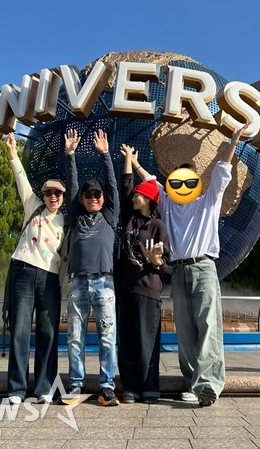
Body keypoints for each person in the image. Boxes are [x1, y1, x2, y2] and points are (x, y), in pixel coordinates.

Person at [134, 123, 248, 406]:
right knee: (185, 330)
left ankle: (209, 384)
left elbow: (222, 171)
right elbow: (151, 181)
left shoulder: (208, 201)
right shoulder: (168, 204)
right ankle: (193, 383)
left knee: (208, 325)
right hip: (178, 270)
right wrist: (134, 162)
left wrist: (233, 142)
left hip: (203, 268)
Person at [4, 132, 67, 405]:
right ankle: (17, 389)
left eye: (57, 193)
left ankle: (43, 387)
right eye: (49, 192)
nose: (53, 197)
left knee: (48, 333)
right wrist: (12, 153)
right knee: (19, 331)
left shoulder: (66, 222)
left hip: (50, 279)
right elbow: (21, 178)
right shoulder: (33, 206)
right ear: (43, 195)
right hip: (24, 272)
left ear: (63, 197)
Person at [60, 128, 120, 407]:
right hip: (77, 282)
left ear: (103, 198)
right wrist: (70, 155)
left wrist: (106, 154)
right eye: (88, 195)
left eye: (97, 194)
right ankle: (75, 384)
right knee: (75, 337)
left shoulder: (109, 216)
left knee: (107, 337)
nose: (93, 197)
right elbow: (72, 186)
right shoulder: (75, 215)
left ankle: (107, 387)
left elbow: (112, 185)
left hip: (104, 282)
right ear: (82, 198)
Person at [116, 144, 170, 404]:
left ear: (149, 199)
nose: (135, 197)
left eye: (139, 194)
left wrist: (157, 260)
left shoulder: (158, 225)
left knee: (147, 341)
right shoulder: (130, 218)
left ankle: (149, 386)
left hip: (148, 290)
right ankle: (131, 387)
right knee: (126, 340)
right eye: (135, 194)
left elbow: (166, 262)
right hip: (125, 288)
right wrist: (128, 159)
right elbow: (125, 187)